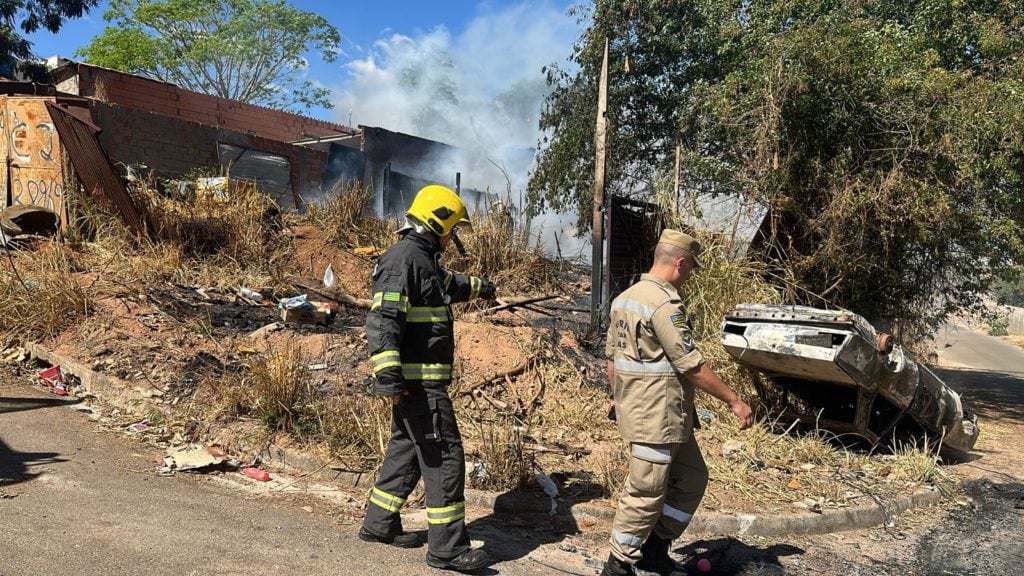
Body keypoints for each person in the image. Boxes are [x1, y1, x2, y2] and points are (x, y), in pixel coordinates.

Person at [359, 184, 497, 573]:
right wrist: (388, 379)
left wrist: (482, 287)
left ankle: (379, 522)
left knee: (406, 447)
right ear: (438, 222)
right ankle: (447, 549)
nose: (454, 238)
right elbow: (383, 321)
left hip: (417, 384)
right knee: (444, 457)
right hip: (417, 383)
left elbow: (447, 285)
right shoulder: (404, 260)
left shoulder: (422, 259)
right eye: (453, 229)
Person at [601, 229, 754, 576]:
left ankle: (655, 548)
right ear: (680, 262)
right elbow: (691, 365)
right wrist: (734, 400)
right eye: (690, 269)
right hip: (655, 416)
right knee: (645, 492)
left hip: (662, 416)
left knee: (692, 478)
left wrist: (618, 399)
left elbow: (612, 360)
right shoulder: (664, 303)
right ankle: (618, 564)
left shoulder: (624, 298)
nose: (689, 276)